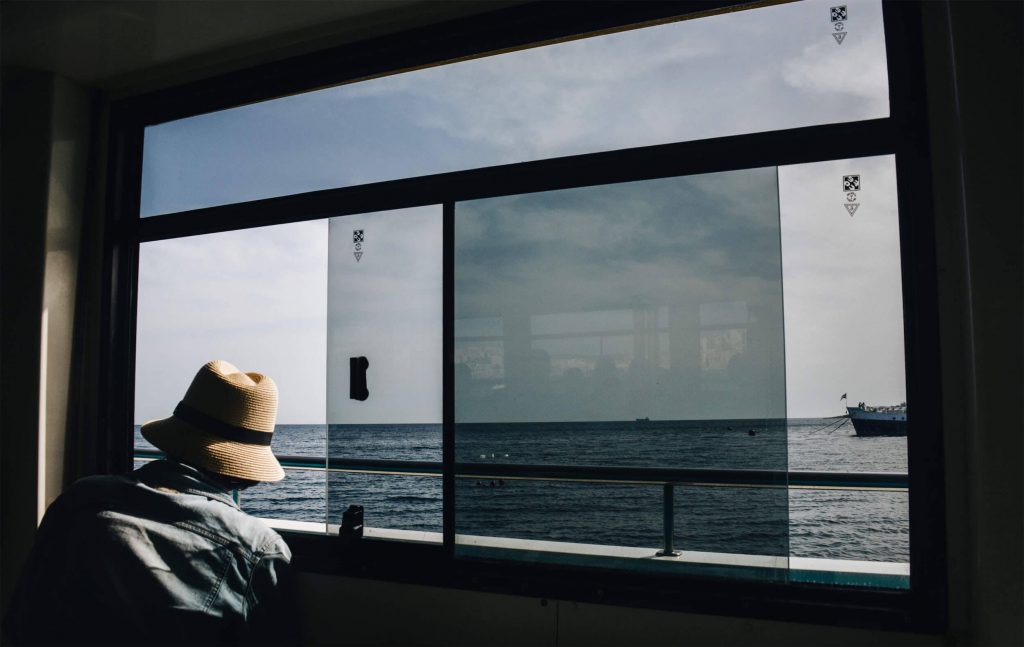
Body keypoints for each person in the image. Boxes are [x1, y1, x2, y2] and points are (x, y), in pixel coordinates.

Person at [3, 360, 297, 645]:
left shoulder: (80, 498)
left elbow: (21, 622)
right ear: (247, 473)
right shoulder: (257, 548)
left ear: (176, 437)